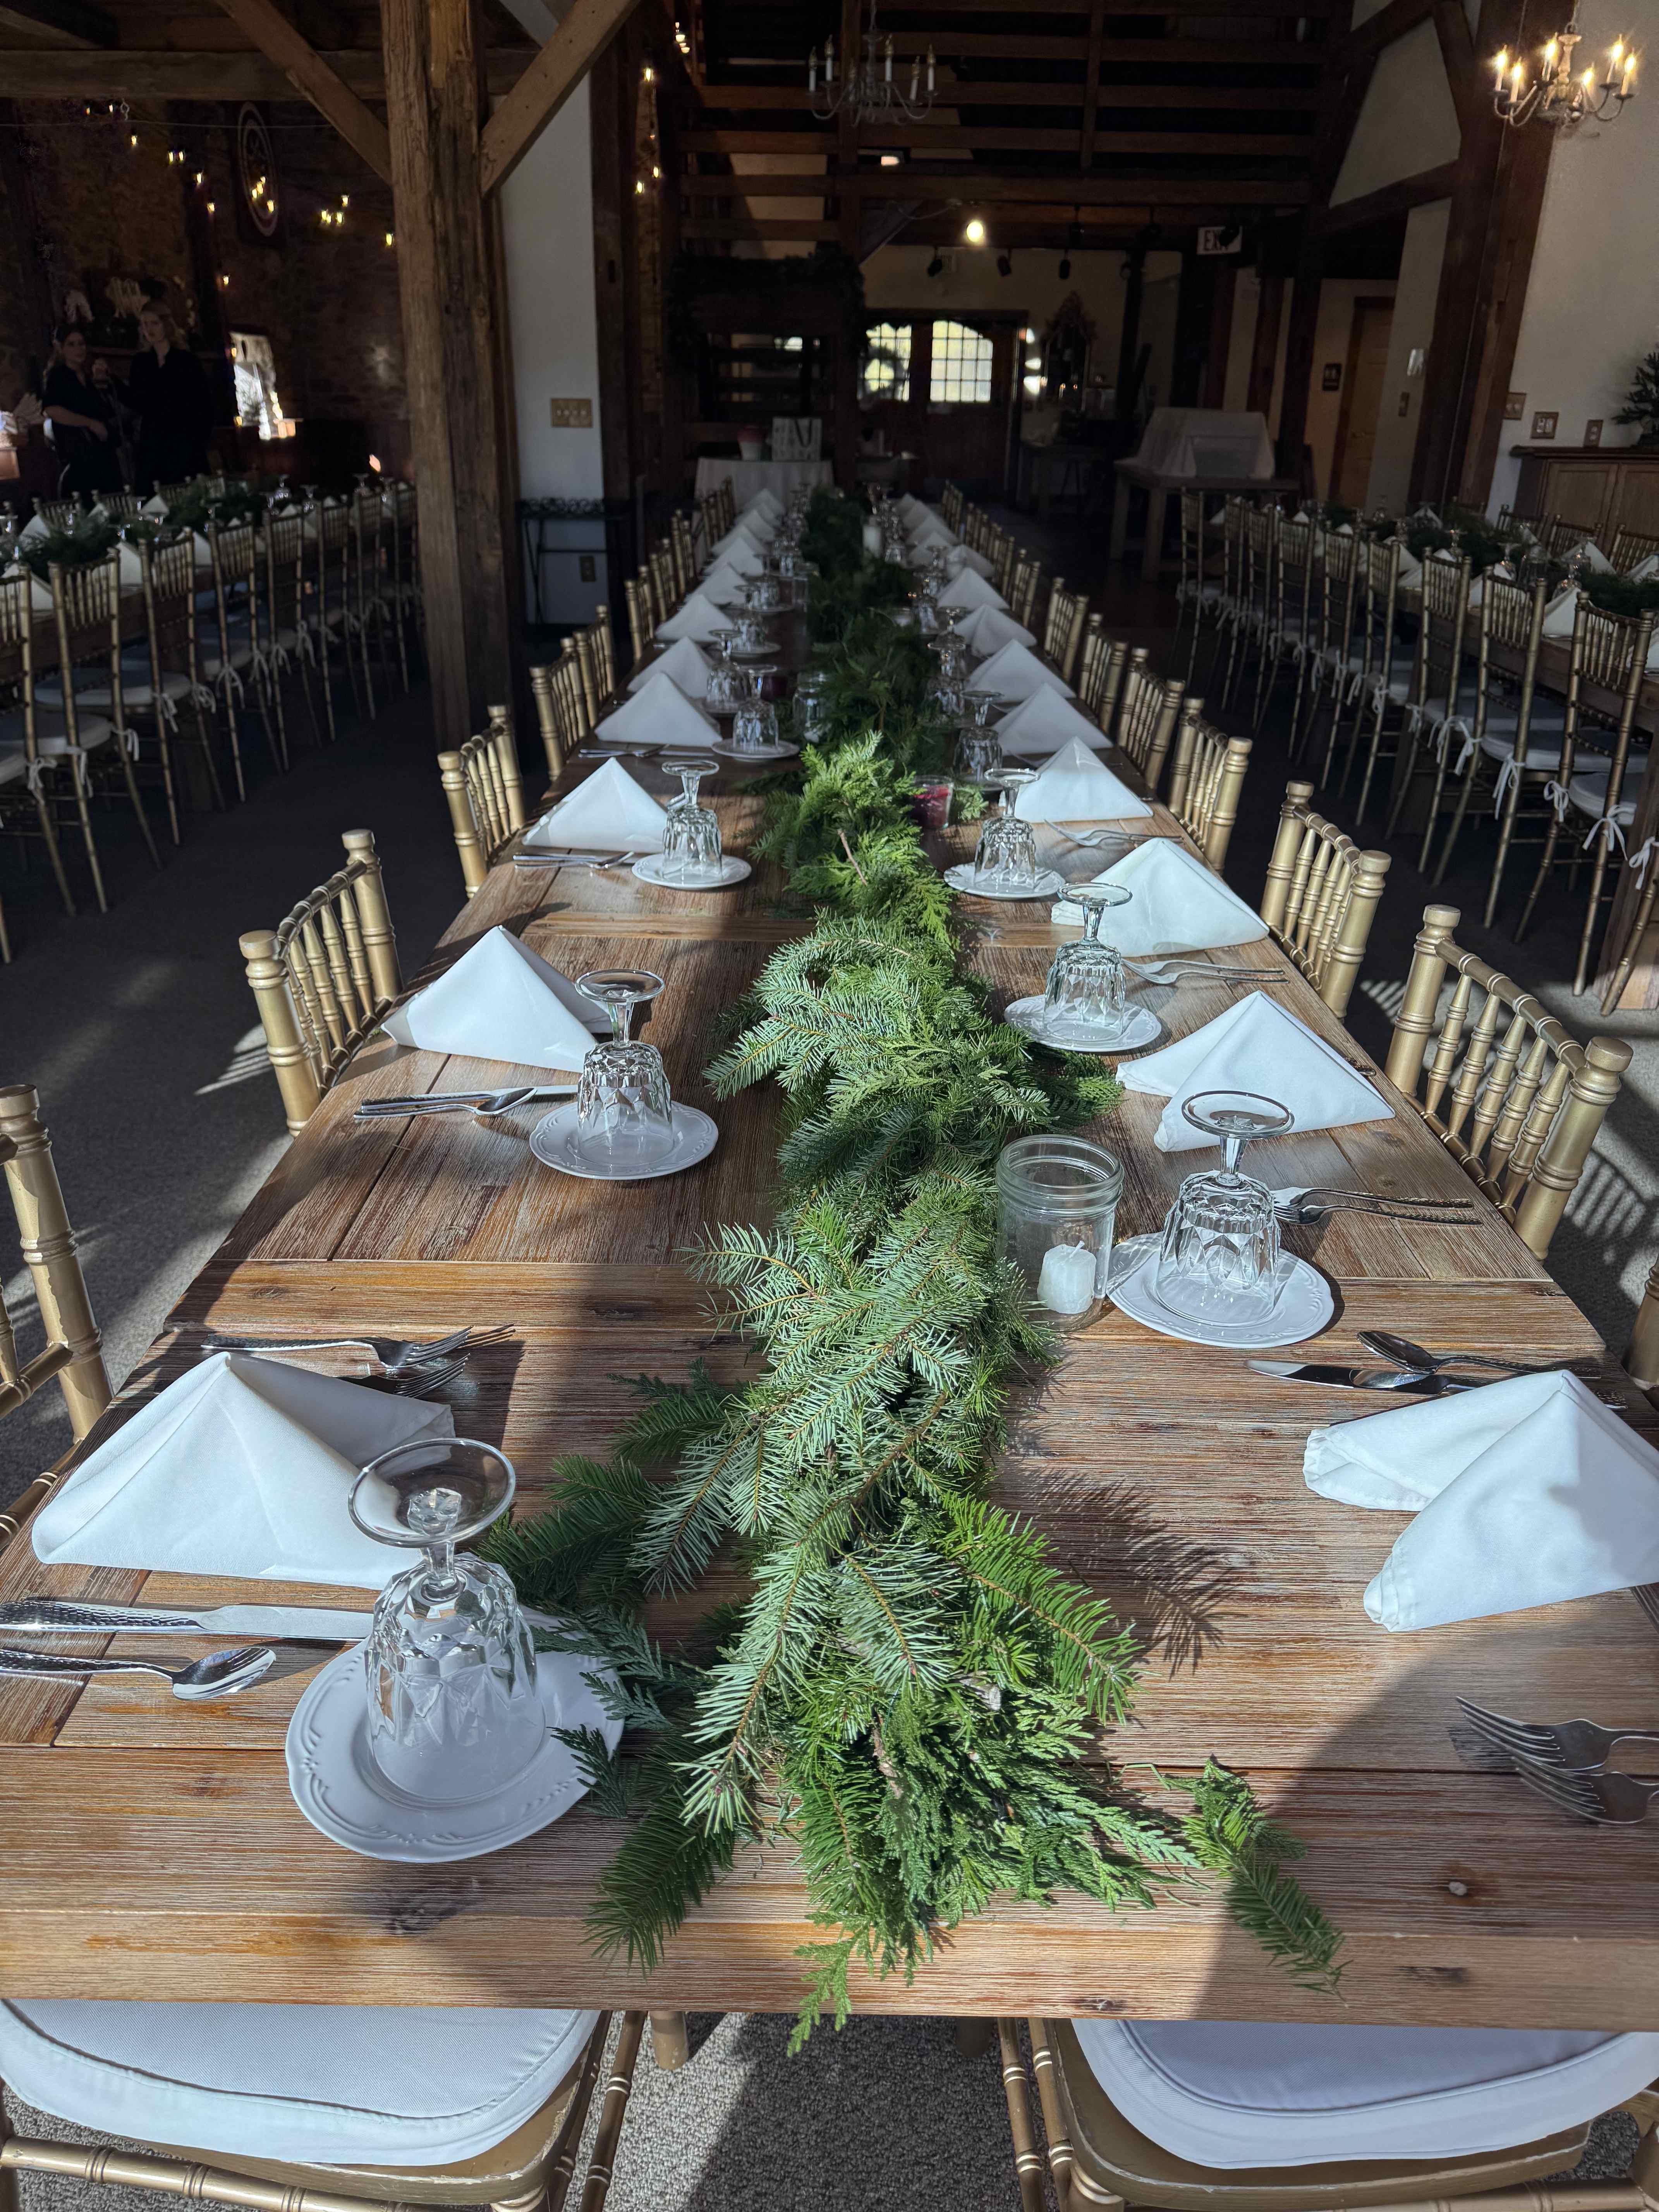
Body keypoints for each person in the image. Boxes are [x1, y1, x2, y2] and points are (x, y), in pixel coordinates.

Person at [127, 302, 214, 491]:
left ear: (166, 325)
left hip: (183, 439)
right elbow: (137, 400)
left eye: (154, 323)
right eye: (145, 324)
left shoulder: (186, 361)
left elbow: (202, 403)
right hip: (153, 442)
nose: (149, 329)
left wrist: (198, 438)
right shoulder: (141, 363)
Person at [41, 326, 124, 501]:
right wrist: (90, 423)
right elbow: (52, 410)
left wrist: (103, 382)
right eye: (72, 345)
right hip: (80, 452)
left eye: (81, 344)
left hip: (103, 452)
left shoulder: (89, 376)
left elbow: (108, 409)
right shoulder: (58, 376)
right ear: (62, 348)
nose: (79, 349)